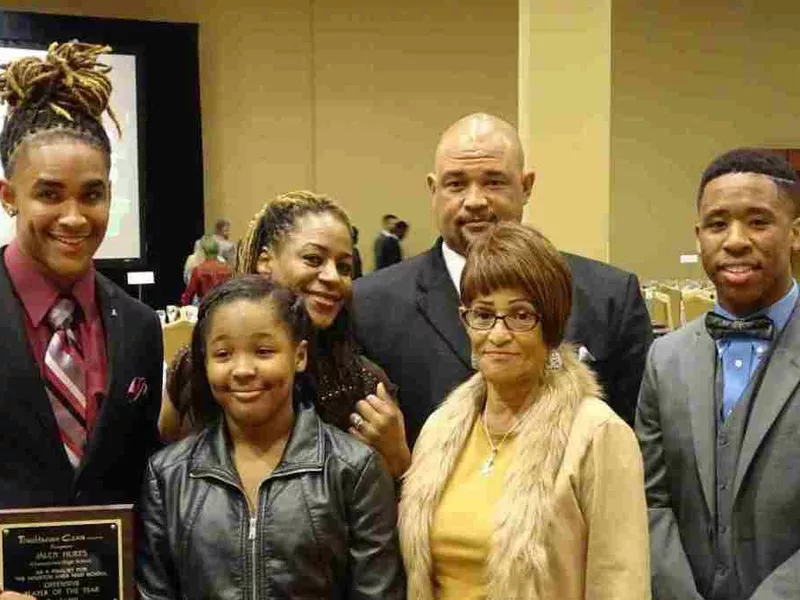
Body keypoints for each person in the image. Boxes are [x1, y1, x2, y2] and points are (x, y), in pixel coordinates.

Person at [353, 113, 653, 445]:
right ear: (433, 189)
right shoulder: (369, 306)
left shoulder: (609, 296)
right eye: (456, 184)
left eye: (493, 182)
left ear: (526, 187)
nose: (475, 201)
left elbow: (636, 444)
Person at [400, 222, 649, 600]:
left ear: (551, 326)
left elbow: (620, 584)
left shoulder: (598, 434)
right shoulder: (440, 429)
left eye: (520, 315)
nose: (498, 334)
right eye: (483, 315)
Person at [0, 41, 162, 598]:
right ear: (8, 196)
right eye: (49, 194)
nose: (74, 217)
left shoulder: (139, 328)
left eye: (91, 195)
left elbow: (137, 475)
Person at [137, 275, 405, 599]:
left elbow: (376, 591)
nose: (243, 369)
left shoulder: (354, 469)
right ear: (205, 362)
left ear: (300, 356)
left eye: (263, 351)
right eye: (223, 354)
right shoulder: (168, 475)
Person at [636, 149, 800, 600]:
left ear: (795, 235)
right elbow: (652, 501)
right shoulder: (664, 359)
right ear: (698, 236)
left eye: (759, 221)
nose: (735, 240)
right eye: (717, 224)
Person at [163, 191, 411, 478]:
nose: (332, 277)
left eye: (344, 267)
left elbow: (391, 503)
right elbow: (165, 464)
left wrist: (398, 459)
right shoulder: (195, 367)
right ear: (265, 261)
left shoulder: (363, 386)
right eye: (313, 259)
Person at [180, 234, 232, 305]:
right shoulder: (228, 268)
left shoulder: (198, 270)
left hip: (205, 308)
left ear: (202, 251)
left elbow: (188, 296)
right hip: (223, 307)